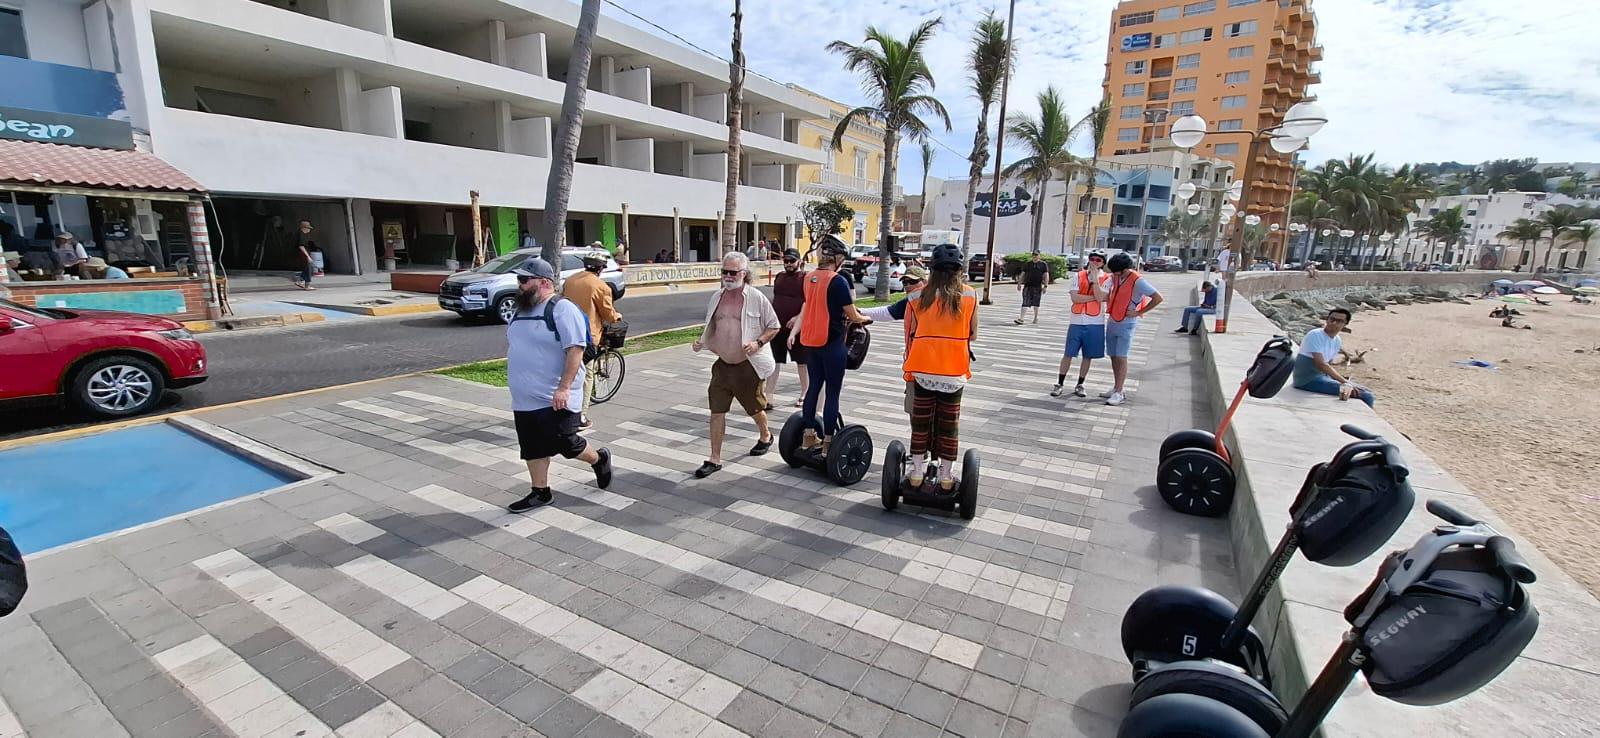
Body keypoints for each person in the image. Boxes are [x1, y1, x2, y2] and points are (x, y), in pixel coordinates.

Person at [504, 257, 614, 512]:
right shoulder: (521, 311)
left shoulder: (562, 309)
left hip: (556, 395)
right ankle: (540, 492)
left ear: (544, 283)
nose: (519, 285)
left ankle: (598, 459)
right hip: (524, 397)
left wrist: (563, 388)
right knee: (531, 445)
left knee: (565, 442)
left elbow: (575, 349)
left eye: (523, 280)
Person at [692, 252, 781, 477]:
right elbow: (712, 326)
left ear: (744, 274)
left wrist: (758, 342)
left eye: (733, 272)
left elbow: (774, 326)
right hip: (722, 366)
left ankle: (766, 435)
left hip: (747, 365)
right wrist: (702, 341)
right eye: (725, 271)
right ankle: (714, 458)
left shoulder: (756, 297)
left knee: (755, 408)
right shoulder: (717, 297)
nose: (728, 276)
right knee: (716, 411)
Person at [788, 234, 870, 452]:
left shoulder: (808, 278)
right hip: (832, 344)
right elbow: (853, 316)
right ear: (839, 257)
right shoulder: (838, 280)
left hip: (811, 343)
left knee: (813, 388)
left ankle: (808, 436)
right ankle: (828, 443)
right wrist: (864, 318)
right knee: (832, 393)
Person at [562, 253, 622, 429]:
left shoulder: (570, 280)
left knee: (565, 370)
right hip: (587, 336)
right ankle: (581, 416)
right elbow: (607, 313)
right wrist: (616, 316)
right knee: (587, 375)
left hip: (565, 333)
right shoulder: (600, 286)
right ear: (601, 268)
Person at [859, 266, 928, 415]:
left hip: (930, 367)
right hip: (916, 366)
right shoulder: (910, 302)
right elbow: (888, 312)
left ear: (924, 281)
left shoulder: (930, 301)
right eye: (905, 282)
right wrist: (859, 312)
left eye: (912, 282)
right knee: (916, 414)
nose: (907, 286)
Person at [1103, 251, 1163, 406]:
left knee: (1121, 357)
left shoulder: (1137, 281)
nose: (1114, 273)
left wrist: (1139, 312)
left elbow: (1158, 297)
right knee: (1113, 355)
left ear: (1124, 269)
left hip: (1126, 323)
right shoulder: (1115, 276)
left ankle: (1120, 392)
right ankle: (1116, 386)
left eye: (1116, 270)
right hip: (1113, 320)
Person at [1052, 250, 1110, 398]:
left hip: (1095, 322)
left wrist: (1096, 280)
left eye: (1098, 260)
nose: (1095, 262)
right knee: (1068, 353)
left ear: (1103, 263)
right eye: (1092, 259)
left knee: (1088, 355)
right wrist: (1094, 297)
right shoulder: (1078, 275)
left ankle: (1080, 383)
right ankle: (1060, 383)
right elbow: (1075, 298)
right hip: (1077, 320)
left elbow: (1102, 297)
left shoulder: (1107, 279)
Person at [1293, 308, 1375, 408]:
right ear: (1327, 320)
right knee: (1367, 396)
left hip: (1322, 377)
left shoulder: (1337, 340)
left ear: (1345, 324)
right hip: (1307, 380)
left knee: (1366, 390)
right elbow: (1321, 364)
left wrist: (1339, 379)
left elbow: (1329, 364)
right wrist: (1344, 382)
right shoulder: (1315, 335)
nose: (1334, 323)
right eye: (1332, 319)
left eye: (1339, 321)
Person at [769, 248, 810, 407]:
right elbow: (776, 299)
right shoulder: (779, 277)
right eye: (785, 261)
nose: (788, 264)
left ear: (799, 261)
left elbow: (809, 302)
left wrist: (797, 317)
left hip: (798, 328)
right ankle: (769, 394)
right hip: (778, 327)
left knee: (802, 362)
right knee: (775, 361)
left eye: (791, 261)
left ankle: (805, 393)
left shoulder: (806, 278)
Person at [1015, 251, 1050, 325]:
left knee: (1036, 303)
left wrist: (1045, 286)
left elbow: (1046, 275)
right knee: (1025, 301)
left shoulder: (1043, 265)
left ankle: (1035, 317)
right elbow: (1023, 274)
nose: (1035, 257)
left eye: (1036, 255)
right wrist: (1019, 283)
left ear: (1039, 256)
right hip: (1028, 285)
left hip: (1037, 286)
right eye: (1033, 255)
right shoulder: (1028, 264)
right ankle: (1021, 318)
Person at [293, 220, 315, 290]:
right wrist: (307, 256)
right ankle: (307, 285)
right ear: (303, 228)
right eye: (308, 228)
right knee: (308, 268)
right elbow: (301, 246)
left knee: (307, 268)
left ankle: (300, 281)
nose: (309, 230)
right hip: (302, 253)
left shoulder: (299, 233)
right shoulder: (300, 234)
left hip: (302, 253)